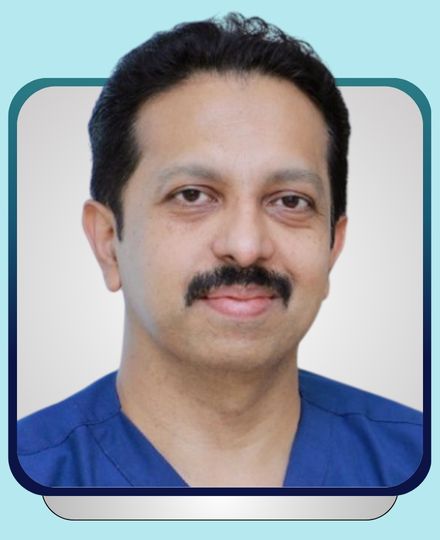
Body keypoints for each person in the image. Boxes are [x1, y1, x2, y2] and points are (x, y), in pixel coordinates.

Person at [16, 13, 423, 488]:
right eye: (192, 195)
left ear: (333, 246)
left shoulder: (416, 462)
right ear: (108, 242)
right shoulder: (27, 476)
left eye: (290, 201)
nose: (246, 247)